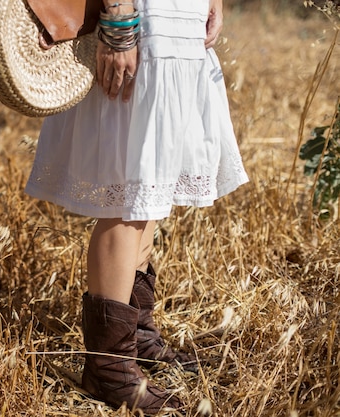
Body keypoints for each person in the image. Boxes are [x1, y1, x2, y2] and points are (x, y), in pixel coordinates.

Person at [24, 0, 249, 413]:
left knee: (151, 192)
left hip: (179, 22)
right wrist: (120, 21)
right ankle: (108, 370)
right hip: (145, 20)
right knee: (130, 199)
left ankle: (138, 339)